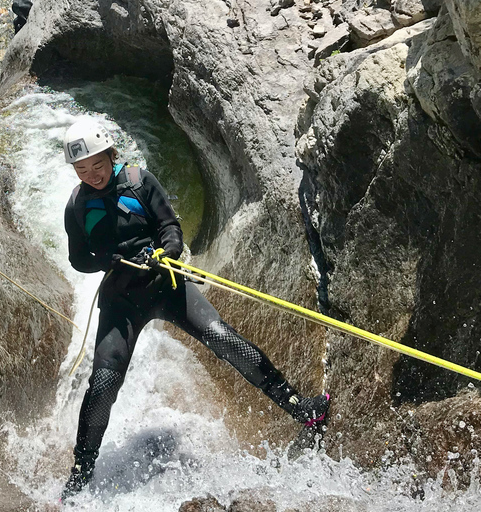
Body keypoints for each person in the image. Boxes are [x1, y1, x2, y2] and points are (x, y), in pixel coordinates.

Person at [60, 119, 331, 501]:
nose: (91, 175)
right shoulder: (77, 204)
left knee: (223, 338)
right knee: (103, 382)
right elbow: (78, 260)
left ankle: (303, 409)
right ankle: (80, 473)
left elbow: (170, 227)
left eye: (96, 165)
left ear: (110, 154)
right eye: (81, 170)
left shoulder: (139, 181)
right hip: (121, 300)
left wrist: (163, 254)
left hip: (165, 285)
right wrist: (111, 257)